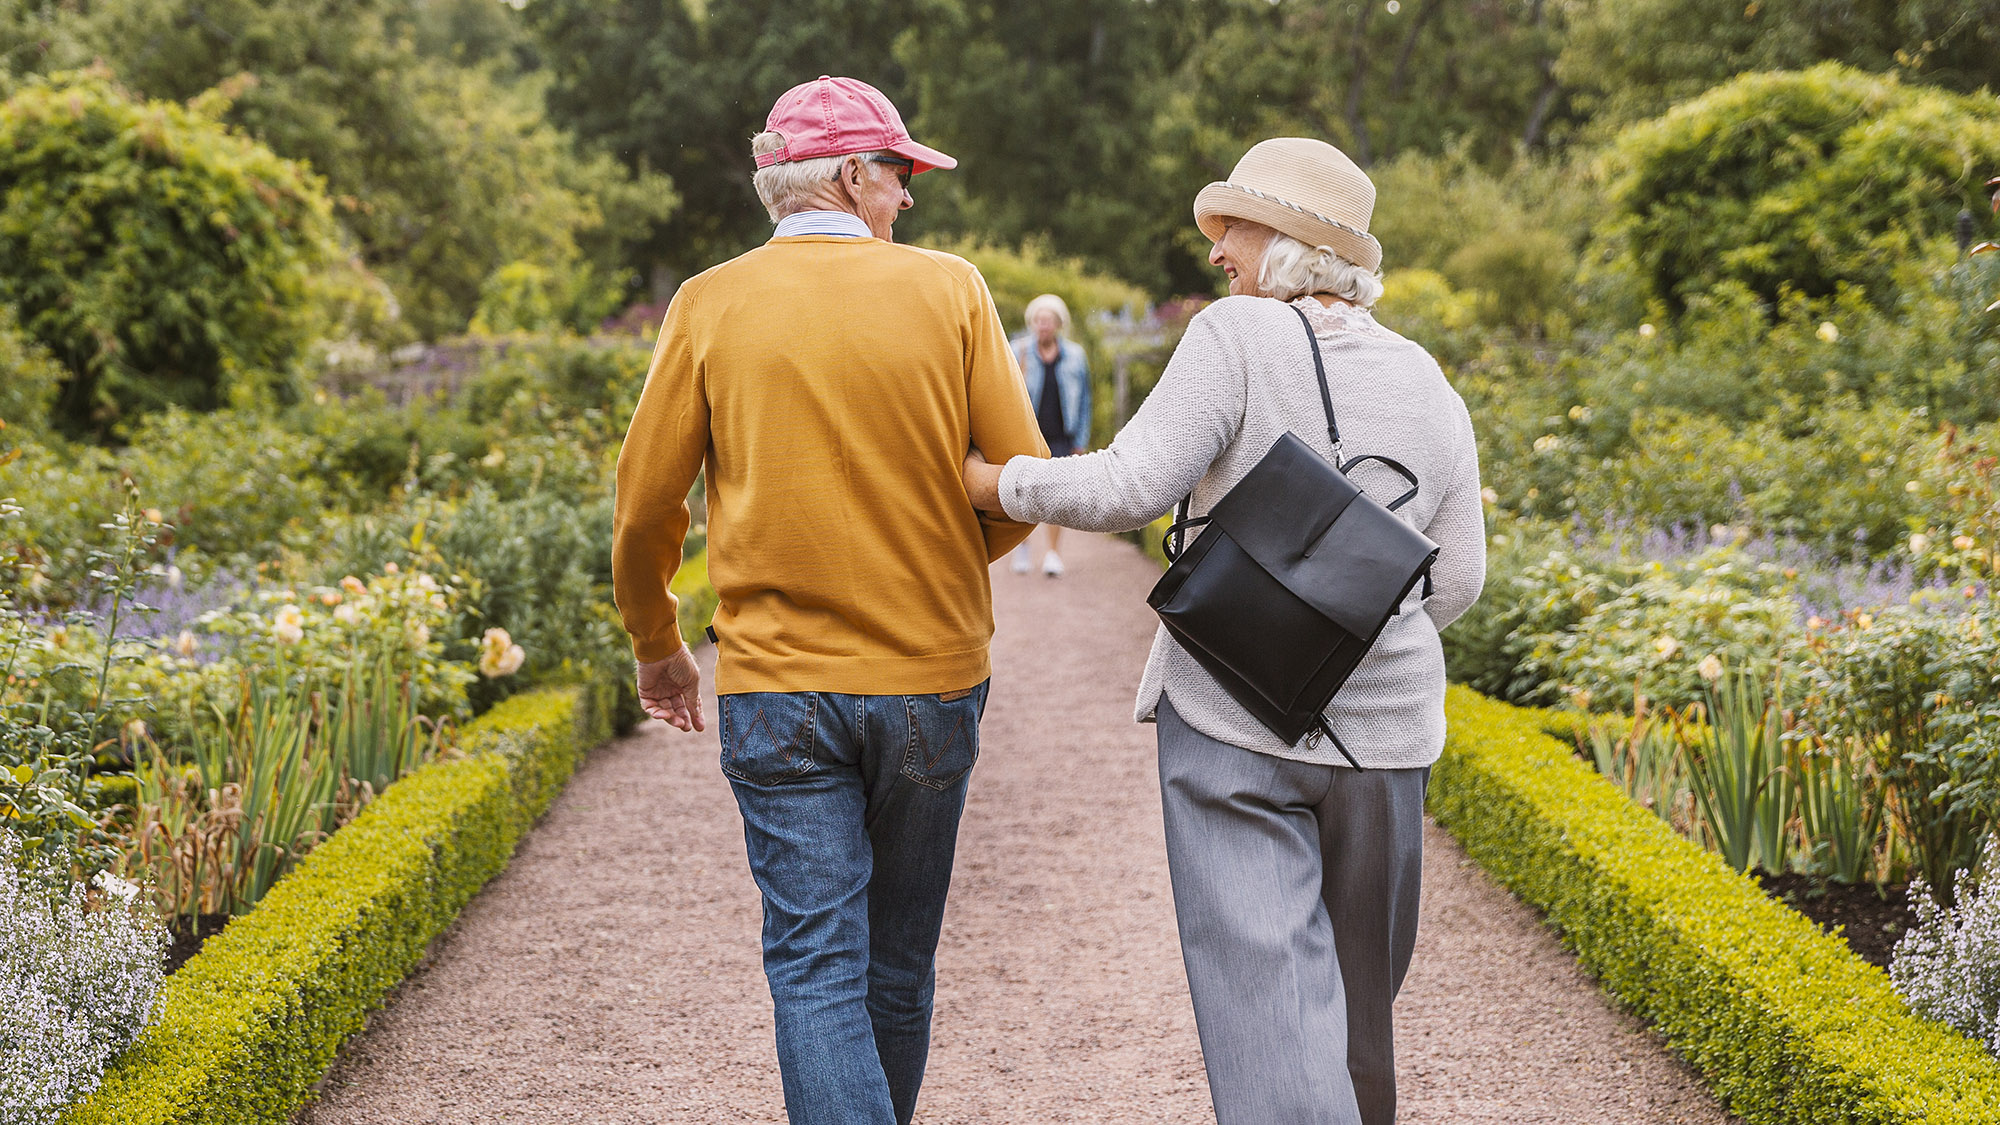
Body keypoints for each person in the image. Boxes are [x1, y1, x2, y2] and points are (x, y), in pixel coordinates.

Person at [963, 137, 1486, 1125]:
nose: (1214, 254)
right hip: (1387, 743)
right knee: (1355, 1023)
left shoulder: (1232, 335)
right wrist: (1343, 637)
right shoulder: (1427, 379)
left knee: (1272, 1019)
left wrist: (997, 483)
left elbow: (1131, 484)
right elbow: (1455, 577)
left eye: (1232, 228)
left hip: (1232, 720)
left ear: (1287, 241)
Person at [612, 75, 1047, 1125]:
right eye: (899, 175)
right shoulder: (950, 290)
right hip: (931, 676)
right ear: (852, 176)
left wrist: (657, 643)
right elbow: (1025, 477)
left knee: (814, 967)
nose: (908, 197)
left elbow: (644, 508)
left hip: (777, 688)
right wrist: (941, 562)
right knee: (896, 966)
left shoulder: (709, 303)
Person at [1007, 293, 1091, 577]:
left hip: (1060, 436)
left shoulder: (1076, 355)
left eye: (1048, 321)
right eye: (1039, 321)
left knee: (1056, 495)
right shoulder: (1016, 351)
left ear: (1057, 324)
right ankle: (1023, 546)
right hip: (1026, 434)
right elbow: (1004, 392)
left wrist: (1080, 438)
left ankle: (1053, 554)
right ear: (1032, 323)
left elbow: (1084, 402)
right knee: (1021, 493)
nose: (1043, 325)